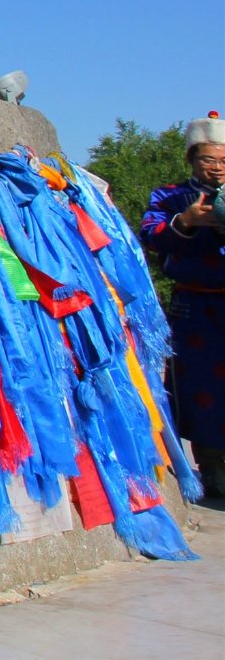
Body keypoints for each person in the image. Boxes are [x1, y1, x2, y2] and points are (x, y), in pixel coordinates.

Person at [141, 111, 225, 499]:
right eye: (209, 159)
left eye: (224, 160)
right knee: (200, 387)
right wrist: (186, 221)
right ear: (192, 159)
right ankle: (211, 468)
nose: (217, 167)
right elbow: (151, 236)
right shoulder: (170, 195)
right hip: (195, 308)